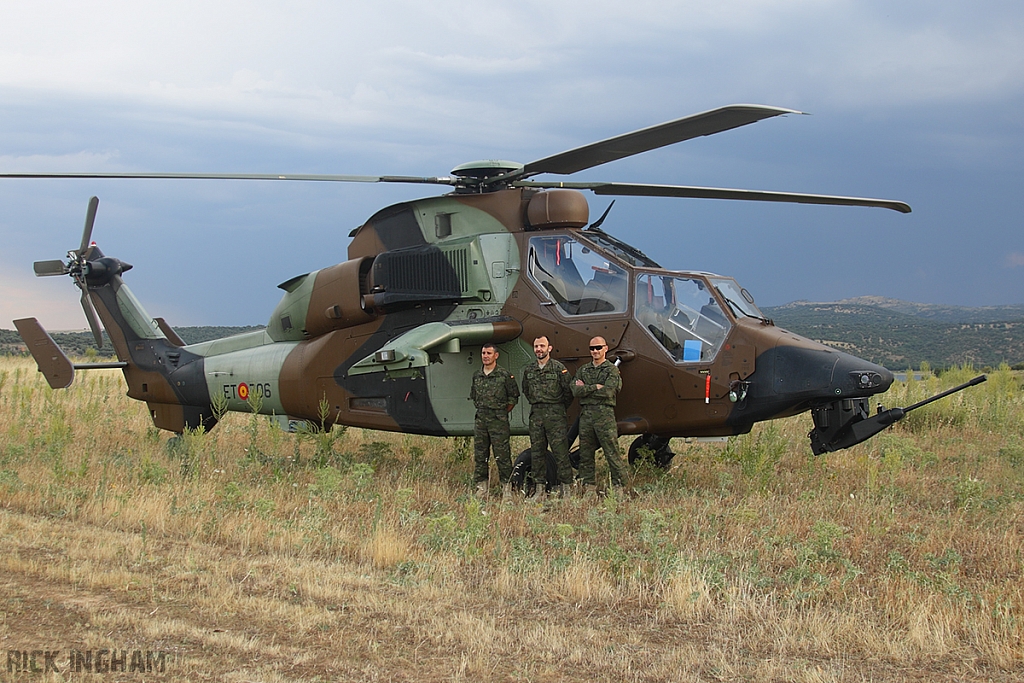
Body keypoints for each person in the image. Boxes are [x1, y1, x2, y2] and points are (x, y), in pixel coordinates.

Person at [572, 336, 630, 495]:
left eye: (598, 347)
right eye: (592, 348)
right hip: (586, 417)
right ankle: (588, 488)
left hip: (605, 416)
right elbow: (575, 390)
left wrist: (587, 389)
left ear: (605, 348)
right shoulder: (583, 370)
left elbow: (609, 391)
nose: (595, 351)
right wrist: (596, 387)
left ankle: (621, 487)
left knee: (611, 452)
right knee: (585, 453)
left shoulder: (611, 370)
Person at [520, 335, 574, 503]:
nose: (539, 349)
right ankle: (539, 490)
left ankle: (567, 490)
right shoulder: (529, 370)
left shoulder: (559, 369)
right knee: (537, 454)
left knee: (560, 453)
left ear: (549, 348)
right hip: (536, 415)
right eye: (536, 346)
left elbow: (568, 393)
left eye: (542, 346)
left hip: (555, 415)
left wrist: (556, 407)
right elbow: (527, 391)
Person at [470, 343, 519, 500]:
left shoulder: (504, 376)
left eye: (489, 353)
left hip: (498, 421)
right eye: (483, 353)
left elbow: (513, 397)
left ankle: (507, 489)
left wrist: (502, 412)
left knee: (502, 456)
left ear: (496, 355)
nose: (485, 356)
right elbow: (474, 397)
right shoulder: (477, 375)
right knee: (480, 455)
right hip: (481, 421)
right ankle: (481, 488)